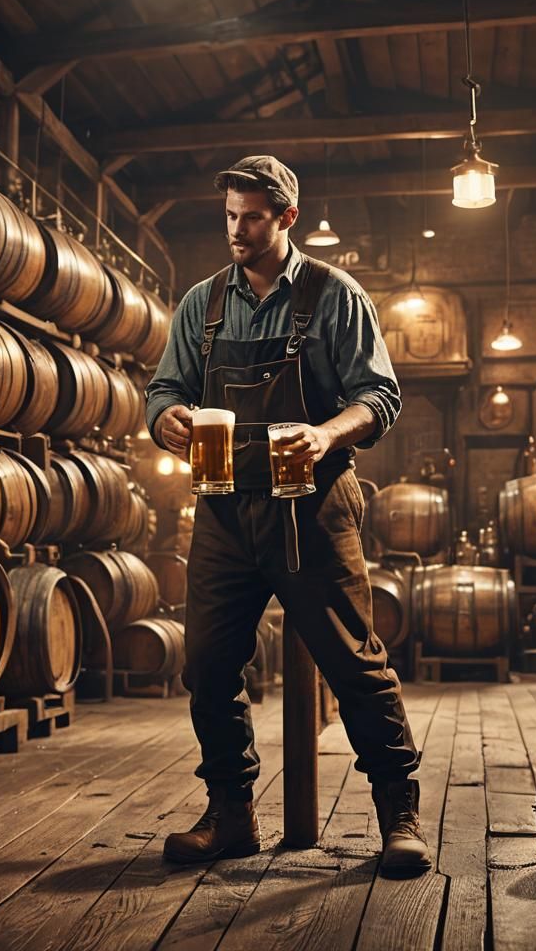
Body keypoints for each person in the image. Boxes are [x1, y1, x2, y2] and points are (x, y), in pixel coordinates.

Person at [144, 155, 430, 878]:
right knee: (208, 664)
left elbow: (380, 395)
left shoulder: (335, 296)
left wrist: (329, 432)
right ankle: (231, 813)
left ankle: (399, 813)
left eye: (252, 218)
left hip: (314, 510)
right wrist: (166, 419)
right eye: (230, 216)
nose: (237, 231)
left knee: (355, 664)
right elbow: (163, 388)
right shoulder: (202, 304)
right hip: (224, 511)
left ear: (287, 218)